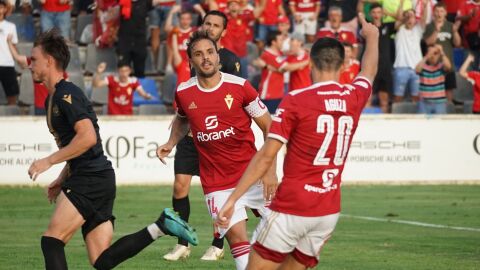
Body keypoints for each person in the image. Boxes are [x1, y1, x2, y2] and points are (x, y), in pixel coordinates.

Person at [216, 13, 379, 270]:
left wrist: (233, 199)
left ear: (310, 63)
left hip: (292, 208)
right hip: (327, 211)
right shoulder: (354, 96)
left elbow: (266, 155)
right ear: (345, 65)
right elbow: (369, 71)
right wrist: (373, 37)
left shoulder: (297, 99)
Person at [27, 29, 198, 270]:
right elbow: (78, 147)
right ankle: (161, 226)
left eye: (32, 59)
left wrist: (49, 161)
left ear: (49, 61)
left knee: (51, 241)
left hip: (90, 179)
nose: (29, 64)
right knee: (101, 261)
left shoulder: (67, 94)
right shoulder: (53, 98)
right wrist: (61, 177)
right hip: (97, 177)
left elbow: (87, 138)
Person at [156, 30, 277, 269]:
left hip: (252, 173)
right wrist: (171, 143)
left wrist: (270, 171)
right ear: (191, 61)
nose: (206, 58)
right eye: (198, 54)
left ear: (218, 56)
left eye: (210, 52)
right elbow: (182, 118)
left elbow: (269, 127)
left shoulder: (241, 87)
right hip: (217, 182)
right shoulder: (184, 92)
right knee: (237, 239)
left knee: (282, 234)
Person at [162, 10, 243, 261]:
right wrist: (175, 132)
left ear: (224, 31)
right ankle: (183, 242)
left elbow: (235, 100)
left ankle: (218, 244)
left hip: (217, 138)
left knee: (221, 193)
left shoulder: (230, 60)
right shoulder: (193, 55)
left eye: (216, 25)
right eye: (207, 23)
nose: (210, 27)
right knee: (179, 187)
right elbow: (187, 99)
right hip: (190, 136)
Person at [256, 30, 309, 113]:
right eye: (281, 40)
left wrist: (267, 67)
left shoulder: (286, 55)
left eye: (292, 40)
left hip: (300, 94)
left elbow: (283, 67)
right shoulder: (270, 55)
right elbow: (287, 68)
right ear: (273, 42)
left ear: (299, 42)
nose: (287, 42)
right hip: (270, 95)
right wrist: (307, 62)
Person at [423, 2, 461, 102]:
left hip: (448, 65)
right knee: (433, 95)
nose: (439, 14)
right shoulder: (429, 26)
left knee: (449, 93)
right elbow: (428, 42)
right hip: (433, 68)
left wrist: (455, 31)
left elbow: (457, 44)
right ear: (433, 13)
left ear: (445, 13)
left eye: (441, 11)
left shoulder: (450, 26)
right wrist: (436, 30)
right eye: (437, 11)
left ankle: (448, 115)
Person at [392, 0, 428, 103]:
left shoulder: (418, 30)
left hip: (416, 69)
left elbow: (423, 20)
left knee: (416, 98)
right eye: (407, 15)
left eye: (411, 15)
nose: (409, 18)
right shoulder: (400, 29)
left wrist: (425, 8)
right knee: (397, 98)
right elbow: (398, 23)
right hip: (401, 68)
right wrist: (405, 14)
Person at [369, 3, 395, 112]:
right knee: (367, 99)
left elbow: (403, 19)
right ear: (370, 14)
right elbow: (359, 14)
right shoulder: (367, 27)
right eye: (374, 12)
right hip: (371, 68)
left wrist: (387, 13)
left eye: (379, 12)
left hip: (385, 67)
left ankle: (384, 125)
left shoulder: (388, 27)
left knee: (384, 101)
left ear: (382, 14)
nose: (376, 15)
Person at [415, 44, 452, 114]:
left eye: (436, 54)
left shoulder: (441, 66)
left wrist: (442, 52)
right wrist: (427, 56)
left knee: (440, 124)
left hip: (439, 103)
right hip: (424, 103)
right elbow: (417, 70)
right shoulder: (423, 67)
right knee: (421, 124)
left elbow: (448, 67)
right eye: (432, 54)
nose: (433, 56)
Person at [0, 0, 19, 105]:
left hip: (7, 64)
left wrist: (19, 61)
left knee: (11, 96)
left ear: (5, 9)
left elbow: (14, 46)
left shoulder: (11, 26)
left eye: (1, 7)